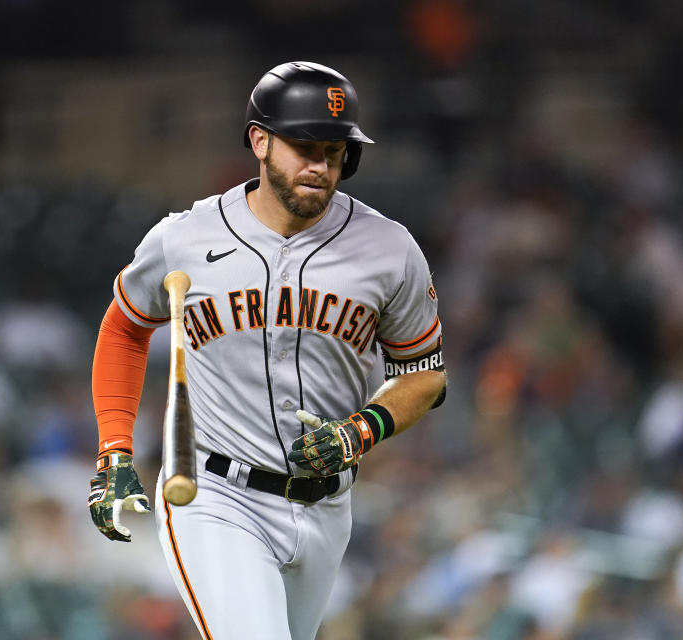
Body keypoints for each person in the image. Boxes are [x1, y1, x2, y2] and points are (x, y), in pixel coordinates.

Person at [87, 61, 447, 640]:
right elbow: (125, 329)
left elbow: (425, 375)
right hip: (215, 494)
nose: (319, 165)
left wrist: (362, 431)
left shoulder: (389, 249)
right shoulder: (185, 237)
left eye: (334, 151)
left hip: (328, 508)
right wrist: (114, 450)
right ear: (259, 140)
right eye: (303, 146)